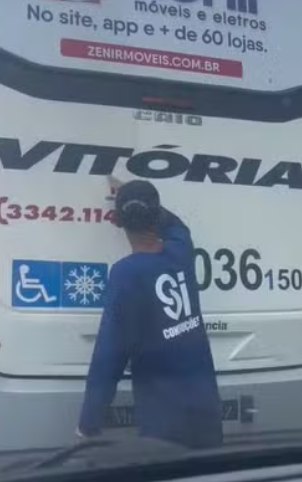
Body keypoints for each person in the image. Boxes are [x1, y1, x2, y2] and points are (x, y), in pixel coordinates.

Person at [77, 177, 223, 449]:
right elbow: (178, 226)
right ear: (157, 215)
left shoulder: (126, 274)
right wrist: (139, 198)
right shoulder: (180, 250)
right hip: (207, 408)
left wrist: (88, 421)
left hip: (164, 422)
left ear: (118, 221)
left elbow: (109, 357)